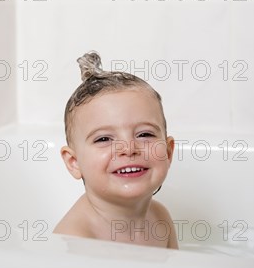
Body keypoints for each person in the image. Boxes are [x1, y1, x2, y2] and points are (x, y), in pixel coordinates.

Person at [53, 51, 178, 249]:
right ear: (74, 163)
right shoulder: (75, 240)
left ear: (169, 152)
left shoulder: (160, 219)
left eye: (145, 134)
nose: (128, 148)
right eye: (104, 139)